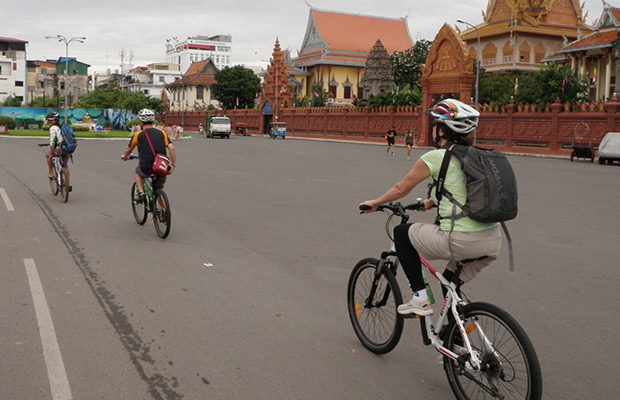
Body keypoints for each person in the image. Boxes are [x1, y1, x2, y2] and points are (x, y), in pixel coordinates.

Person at [360, 99, 502, 316]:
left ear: (442, 129)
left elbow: (401, 190)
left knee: (401, 234)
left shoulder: (436, 157)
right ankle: (456, 340)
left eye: (435, 124)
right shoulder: (478, 157)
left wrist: (376, 202)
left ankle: (420, 298)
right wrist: (430, 202)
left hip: (460, 241)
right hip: (492, 241)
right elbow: (463, 190)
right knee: (449, 284)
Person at [120, 109, 177, 199]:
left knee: (138, 172)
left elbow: (128, 149)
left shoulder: (137, 135)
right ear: (152, 121)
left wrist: (124, 156)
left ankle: (141, 192)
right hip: (161, 166)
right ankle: (162, 210)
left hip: (146, 167)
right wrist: (173, 165)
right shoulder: (162, 133)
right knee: (158, 190)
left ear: (141, 122)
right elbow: (171, 148)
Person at [45, 112, 72, 192]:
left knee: (48, 155)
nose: (49, 122)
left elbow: (53, 142)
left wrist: (51, 154)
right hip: (67, 149)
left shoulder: (53, 128)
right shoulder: (62, 127)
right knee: (65, 166)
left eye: (50, 120)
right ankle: (68, 183)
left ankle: (51, 173)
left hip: (58, 150)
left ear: (55, 120)